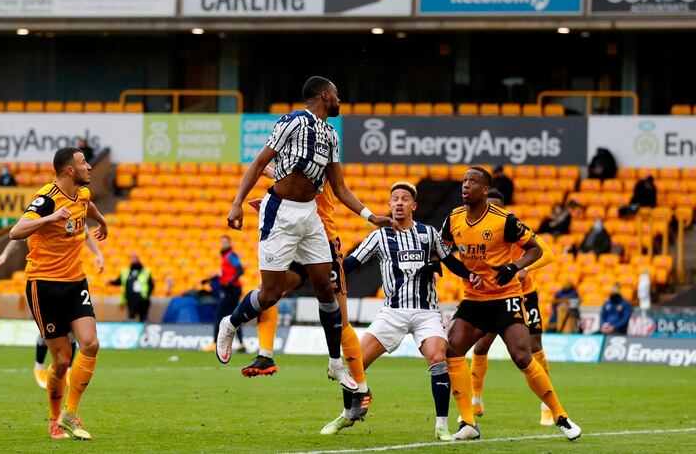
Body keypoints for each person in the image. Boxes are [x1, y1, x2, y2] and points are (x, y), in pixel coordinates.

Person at [219, 76, 394, 396]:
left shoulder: (330, 135)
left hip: (311, 218)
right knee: (270, 294)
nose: (340, 98)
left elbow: (339, 187)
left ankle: (334, 363)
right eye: (337, 93)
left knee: (325, 291)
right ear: (325, 95)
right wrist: (237, 203)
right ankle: (231, 324)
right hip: (281, 212)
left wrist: (370, 216)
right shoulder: (292, 121)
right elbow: (260, 162)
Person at [321, 182, 481, 440]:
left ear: (413, 206)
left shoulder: (428, 234)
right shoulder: (380, 236)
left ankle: (441, 426)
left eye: (404, 199)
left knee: (438, 358)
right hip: (392, 312)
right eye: (394, 199)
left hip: (426, 311)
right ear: (388, 205)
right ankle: (349, 414)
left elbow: (450, 261)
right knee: (355, 364)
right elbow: (350, 262)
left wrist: (470, 274)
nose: (398, 203)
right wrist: (328, 275)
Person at [441, 166, 580, 441]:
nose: (465, 185)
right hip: (474, 299)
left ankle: (559, 415)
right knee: (453, 348)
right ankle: (468, 421)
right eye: (464, 180)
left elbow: (537, 250)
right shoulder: (454, 218)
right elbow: (442, 248)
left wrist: (514, 267)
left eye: (473, 181)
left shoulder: (504, 220)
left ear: (484, 189)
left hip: (506, 298)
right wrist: (455, 269)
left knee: (522, 355)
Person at [243, 176, 370, 425]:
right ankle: (265, 354)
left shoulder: (317, 164)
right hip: (293, 238)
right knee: (268, 291)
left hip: (322, 241)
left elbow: (323, 189)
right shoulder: (291, 165)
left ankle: (362, 390)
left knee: (340, 322)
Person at [9, 146, 108, 440]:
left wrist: (101, 221)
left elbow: (88, 207)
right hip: (44, 284)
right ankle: (54, 419)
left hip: (75, 281)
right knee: (62, 360)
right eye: (83, 163)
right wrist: (49, 219)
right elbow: (16, 231)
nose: (89, 167)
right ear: (69, 170)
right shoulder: (47, 199)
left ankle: (70, 413)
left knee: (90, 343)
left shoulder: (83, 194)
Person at [464, 189, 558, 427]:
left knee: (534, 346)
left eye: (494, 208)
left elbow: (547, 253)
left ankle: (547, 406)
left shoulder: (513, 227)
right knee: (481, 345)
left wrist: (524, 268)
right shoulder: (476, 231)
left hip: (525, 296)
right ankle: (475, 401)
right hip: (493, 296)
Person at [0, 231, 104, 389]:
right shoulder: (40, 213)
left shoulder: (75, 210)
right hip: (45, 283)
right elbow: (16, 236)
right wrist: (4, 256)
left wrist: (98, 253)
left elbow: (85, 233)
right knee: (49, 331)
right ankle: (39, 366)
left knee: (71, 330)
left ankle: (69, 370)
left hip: (70, 281)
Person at [202, 236, 245, 353]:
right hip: (233, 289)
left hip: (230, 290)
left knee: (219, 315)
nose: (223, 244)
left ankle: (215, 343)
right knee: (234, 316)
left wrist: (230, 282)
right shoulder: (226, 257)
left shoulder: (231, 255)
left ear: (229, 243)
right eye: (222, 242)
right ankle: (241, 344)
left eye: (225, 242)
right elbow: (224, 274)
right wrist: (210, 279)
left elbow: (240, 269)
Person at [108, 252, 154, 322]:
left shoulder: (145, 271)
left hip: (143, 299)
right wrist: (111, 283)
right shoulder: (126, 272)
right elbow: (119, 281)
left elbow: (151, 284)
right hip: (131, 299)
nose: (133, 259)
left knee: (143, 318)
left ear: (138, 259)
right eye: (131, 258)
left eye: (135, 258)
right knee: (131, 317)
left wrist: (148, 294)